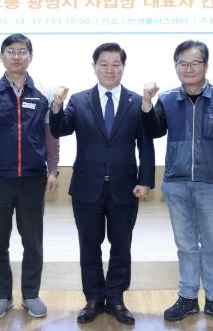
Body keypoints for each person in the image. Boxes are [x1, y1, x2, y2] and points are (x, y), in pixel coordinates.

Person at [50, 42, 155, 325]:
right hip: (87, 187)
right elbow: (60, 129)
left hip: (125, 187)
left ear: (123, 67)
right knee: (89, 245)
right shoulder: (79, 100)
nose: (110, 69)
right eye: (104, 64)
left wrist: (146, 180)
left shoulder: (136, 102)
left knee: (121, 246)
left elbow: (145, 145)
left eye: (115, 64)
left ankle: (116, 298)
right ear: (94, 67)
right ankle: (94, 298)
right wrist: (57, 105)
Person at [141, 39, 213, 326]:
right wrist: (147, 103)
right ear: (176, 67)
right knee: (185, 245)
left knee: (212, 245)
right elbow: (155, 131)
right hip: (177, 183)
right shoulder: (168, 99)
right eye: (182, 63)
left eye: (195, 63)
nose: (188, 68)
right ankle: (187, 297)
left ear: (206, 66)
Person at [0, 33, 60, 320]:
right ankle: (2, 296)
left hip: (32, 177)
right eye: (11, 51)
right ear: (2, 56)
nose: (17, 56)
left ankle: (30, 295)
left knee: (32, 241)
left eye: (22, 51)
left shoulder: (43, 90)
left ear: (31, 56)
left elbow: (51, 134)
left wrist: (53, 168)